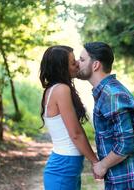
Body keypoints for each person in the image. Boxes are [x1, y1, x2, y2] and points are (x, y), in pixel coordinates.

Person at [77, 42, 134, 190]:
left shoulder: (111, 95)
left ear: (95, 65)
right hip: (122, 177)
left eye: (82, 60)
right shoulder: (106, 92)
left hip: (130, 179)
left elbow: (125, 143)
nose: (77, 63)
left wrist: (102, 165)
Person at [39, 45, 99, 190]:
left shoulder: (55, 89)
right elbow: (76, 133)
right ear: (62, 68)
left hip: (66, 166)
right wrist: (95, 162)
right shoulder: (61, 90)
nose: (78, 64)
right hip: (63, 168)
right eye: (73, 63)